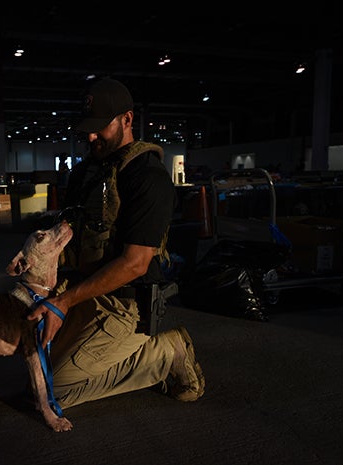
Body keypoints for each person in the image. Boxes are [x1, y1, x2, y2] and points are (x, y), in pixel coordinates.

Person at [27, 78, 205, 409]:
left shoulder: (147, 177)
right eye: (87, 129)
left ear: (127, 120)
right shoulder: (86, 173)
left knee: (51, 393)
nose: (91, 137)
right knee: (12, 306)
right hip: (82, 288)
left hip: (123, 305)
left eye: (99, 128)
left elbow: (135, 263)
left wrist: (63, 302)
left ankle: (165, 354)